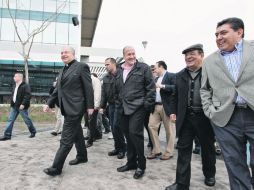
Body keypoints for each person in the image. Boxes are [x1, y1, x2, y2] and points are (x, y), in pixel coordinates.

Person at [200, 17, 254, 190]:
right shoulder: (209, 61)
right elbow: (204, 89)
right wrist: (210, 111)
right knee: (234, 165)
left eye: (223, 32)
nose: (218, 37)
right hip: (225, 119)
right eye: (216, 34)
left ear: (239, 32)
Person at [165, 44, 216, 190]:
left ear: (201, 55)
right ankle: (181, 184)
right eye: (186, 55)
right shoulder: (179, 75)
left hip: (205, 118)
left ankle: (209, 174)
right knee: (183, 150)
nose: (188, 57)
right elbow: (175, 95)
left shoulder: (210, 72)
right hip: (186, 118)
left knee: (207, 148)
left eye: (192, 54)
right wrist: (172, 111)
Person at [43, 46, 94, 176]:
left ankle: (56, 168)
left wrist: (90, 106)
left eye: (66, 52)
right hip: (66, 108)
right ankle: (82, 156)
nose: (63, 54)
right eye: (61, 53)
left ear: (73, 54)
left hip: (76, 108)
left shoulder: (81, 67)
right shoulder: (63, 70)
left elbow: (88, 88)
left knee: (65, 140)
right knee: (77, 133)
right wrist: (49, 103)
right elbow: (57, 91)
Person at [115, 46, 155, 179]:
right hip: (123, 108)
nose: (131, 56)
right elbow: (117, 89)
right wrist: (117, 102)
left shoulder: (143, 68)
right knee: (127, 134)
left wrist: (147, 106)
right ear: (124, 55)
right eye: (128, 54)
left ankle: (141, 165)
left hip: (138, 107)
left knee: (135, 133)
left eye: (133, 54)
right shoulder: (119, 70)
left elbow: (151, 87)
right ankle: (131, 162)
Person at [147, 61, 175, 160]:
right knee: (151, 126)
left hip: (167, 107)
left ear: (161, 67)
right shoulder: (156, 78)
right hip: (155, 106)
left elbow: (176, 88)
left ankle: (169, 152)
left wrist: (162, 86)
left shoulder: (171, 76)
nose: (154, 70)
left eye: (155, 68)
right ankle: (156, 150)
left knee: (169, 130)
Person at [100, 57, 126, 159]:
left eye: (107, 64)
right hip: (111, 105)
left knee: (117, 127)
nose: (106, 66)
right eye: (105, 65)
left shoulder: (122, 74)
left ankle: (123, 149)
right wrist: (102, 106)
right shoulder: (106, 77)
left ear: (114, 64)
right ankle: (117, 147)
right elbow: (104, 94)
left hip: (120, 105)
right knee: (113, 128)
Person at [0, 72, 36, 140]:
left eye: (15, 76)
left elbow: (28, 95)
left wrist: (23, 104)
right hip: (14, 106)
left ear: (20, 77)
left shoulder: (25, 85)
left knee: (26, 120)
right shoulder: (14, 85)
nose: (14, 78)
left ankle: (33, 131)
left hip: (22, 106)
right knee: (10, 120)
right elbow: (14, 95)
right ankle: (7, 135)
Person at [86, 73, 102, 148]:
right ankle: (97, 134)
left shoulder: (95, 80)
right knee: (87, 122)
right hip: (86, 105)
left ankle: (90, 140)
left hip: (92, 106)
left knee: (91, 122)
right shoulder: (85, 79)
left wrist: (96, 105)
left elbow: (97, 92)